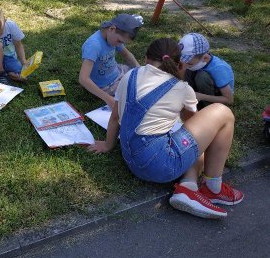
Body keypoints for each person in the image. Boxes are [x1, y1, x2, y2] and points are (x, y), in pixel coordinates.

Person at [88, 38, 244, 219]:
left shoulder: (130, 76)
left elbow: (115, 117)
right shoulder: (182, 88)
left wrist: (108, 145)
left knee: (187, 139)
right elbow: (192, 126)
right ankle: (212, 188)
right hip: (161, 166)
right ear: (179, 64)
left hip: (131, 158)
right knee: (223, 112)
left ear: (146, 58)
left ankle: (188, 188)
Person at [79, 14, 142, 108]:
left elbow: (126, 54)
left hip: (117, 71)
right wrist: (108, 99)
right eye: (119, 41)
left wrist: (139, 69)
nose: (119, 45)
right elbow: (83, 79)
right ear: (112, 29)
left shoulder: (113, 38)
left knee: (141, 77)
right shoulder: (94, 45)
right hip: (106, 86)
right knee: (137, 91)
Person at [179, 32, 234, 109]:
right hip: (199, 92)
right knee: (186, 70)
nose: (186, 65)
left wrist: (202, 96)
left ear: (205, 58)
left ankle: (206, 108)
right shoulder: (195, 61)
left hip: (216, 98)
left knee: (202, 77)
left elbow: (229, 100)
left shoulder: (219, 69)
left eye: (189, 63)